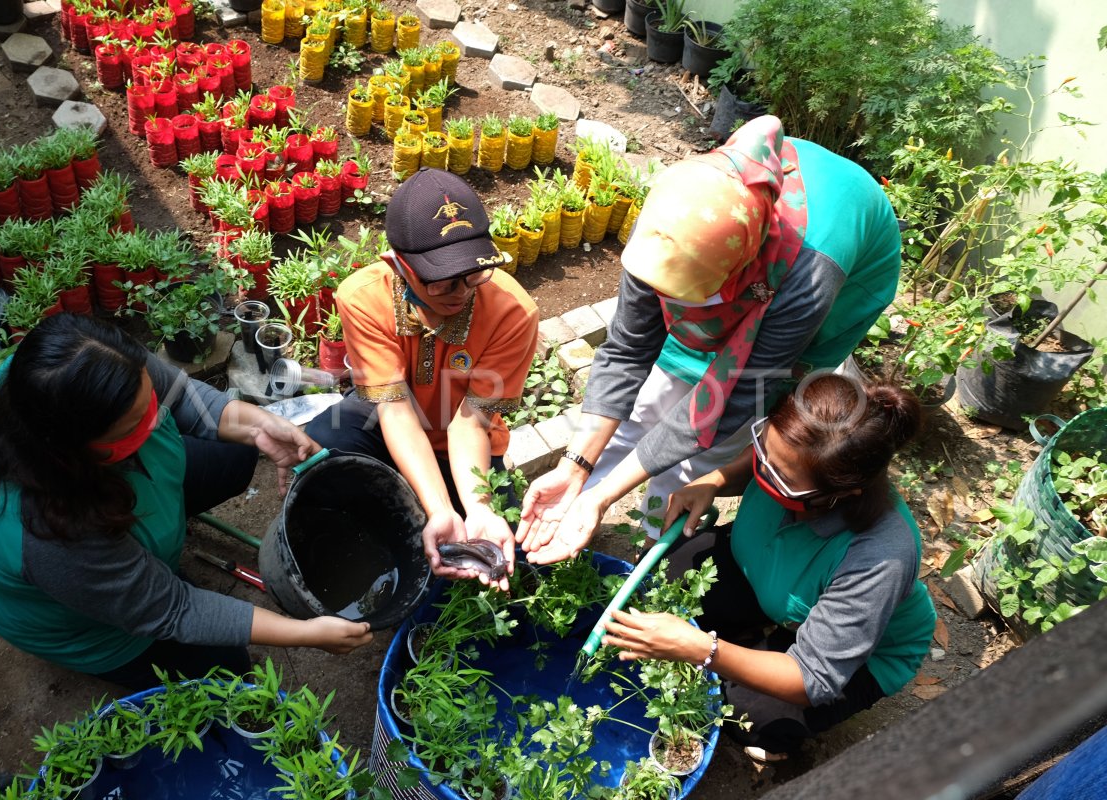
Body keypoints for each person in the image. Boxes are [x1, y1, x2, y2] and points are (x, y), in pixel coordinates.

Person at [518, 115, 903, 562]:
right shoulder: (676, 216)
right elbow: (627, 351)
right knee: (652, 401)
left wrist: (605, 498)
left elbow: (726, 401)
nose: (672, 307)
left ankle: (652, 540)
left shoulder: (811, 279)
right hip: (729, 266)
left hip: (840, 281)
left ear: (740, 269)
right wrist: (575, 469)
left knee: (712, 443)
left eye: (694, 300)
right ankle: (575, 502)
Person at [0, 314, 372, 690]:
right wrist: (306, 632)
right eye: (135, 423)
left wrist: (262, 426)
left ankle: (153, 547)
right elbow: (175, 607)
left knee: (236, 450)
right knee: (226, 667)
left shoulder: (82, 365)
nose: (156, 418)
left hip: (108, 502)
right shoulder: (51, 535)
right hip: (89, 623)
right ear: (72, 446)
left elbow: (181, 395)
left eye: (148, 401)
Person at [601, 376, 936, 759]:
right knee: (668, 571)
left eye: (780, 478)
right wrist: (714, 480)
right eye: (764, 449)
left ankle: (778, 737)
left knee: (745, 713)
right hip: (768, 575)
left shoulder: (879, 555)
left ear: (839, 494)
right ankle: (754, 634)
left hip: (861, 655)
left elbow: (813, 678)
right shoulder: (791, 462)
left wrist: (703, 649)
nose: (763, 472)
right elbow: (771, 457)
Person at [306, 168, 539, 591]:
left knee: (493, 555)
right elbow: (394, 410)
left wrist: (476, 508)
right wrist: (438, 508)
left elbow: (471, 423)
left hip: (467, 441)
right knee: (325, 449)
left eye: (474, 274)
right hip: (389, 420)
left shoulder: (513, 312)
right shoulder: (363, 297)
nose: (461, 291)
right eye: (441, 279)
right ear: (398, 265)